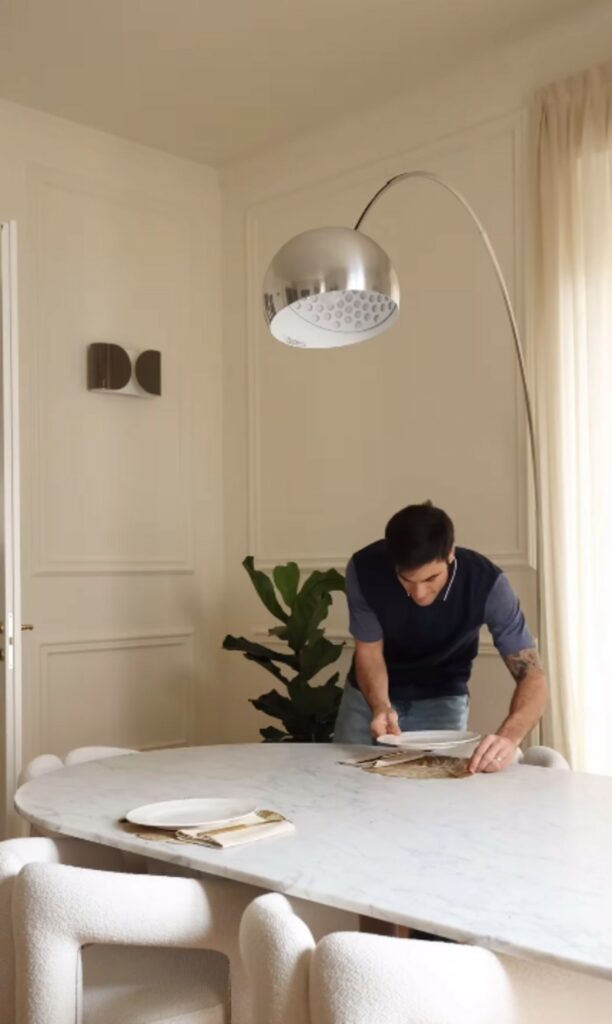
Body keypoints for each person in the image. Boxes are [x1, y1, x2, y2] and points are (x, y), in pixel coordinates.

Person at [333, 501, 548, 773]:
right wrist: (380, 706)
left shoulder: (487, 584)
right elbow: (369, 652)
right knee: (345, 780)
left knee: (435, 789)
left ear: (450, 554)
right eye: (406, 580)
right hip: (367, 698)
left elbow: (533, 676)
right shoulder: (365, 569)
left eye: (431, 578)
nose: (419, 593)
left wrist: (508, 738)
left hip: (442, 697)